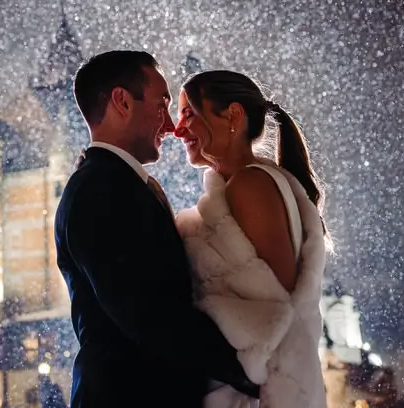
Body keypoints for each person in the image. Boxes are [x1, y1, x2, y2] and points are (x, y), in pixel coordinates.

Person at [54, 50, 259, 407]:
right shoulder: (100, 189)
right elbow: (148, 315)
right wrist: (249, 370)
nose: (171, 126)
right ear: (122, 101)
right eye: (162, 104)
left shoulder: (111, 183)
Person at [174, 70, 328, 407]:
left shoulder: (250, 186)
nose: (177, 129)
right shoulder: (244, 187)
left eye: (188, 113)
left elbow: (273, 317)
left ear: (233, 115)